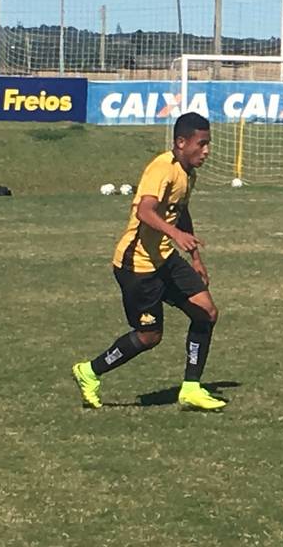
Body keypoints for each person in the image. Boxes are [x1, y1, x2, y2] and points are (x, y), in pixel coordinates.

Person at [71, 112, 226, 411]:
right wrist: (175, 234)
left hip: (164, 258)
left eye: (208, 144)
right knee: (149, 336)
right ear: (181, 142)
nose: (207, 151)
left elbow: (180, 212)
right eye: (202, 144)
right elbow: (145, 211)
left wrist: (196, 258)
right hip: (136, 267)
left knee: (206, 312)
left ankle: (191, 389)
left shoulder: (188, 173)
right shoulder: (162, 169)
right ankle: (89, 372)